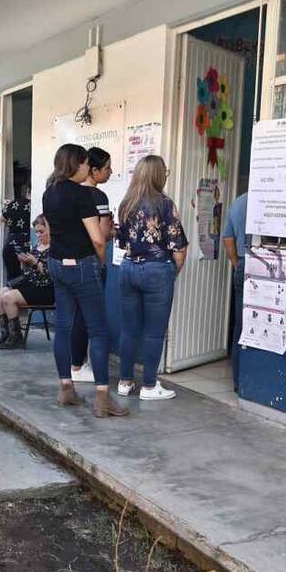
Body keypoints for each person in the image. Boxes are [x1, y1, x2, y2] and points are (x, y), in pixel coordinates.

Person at [41, 144, 127, 417]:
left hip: (56, 263)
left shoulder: (49, 192)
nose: (87, 168)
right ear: (75, 165)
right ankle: (103, 397)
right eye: (85, 164)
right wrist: (99, 262)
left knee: (64, 327)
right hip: (82, 265)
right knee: (98, 330)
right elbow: (98, 238)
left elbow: (53, 232)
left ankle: (66, 388)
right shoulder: (82, 195)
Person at [116, 155, 188, 401]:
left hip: (128, 268)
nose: (166, 174)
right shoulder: (165, 204)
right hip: (157, 269)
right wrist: (171, 272)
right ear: (158, 175)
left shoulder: (126, 203)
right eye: (164, 171)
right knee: (154, 332)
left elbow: (123, 242)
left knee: (129, 329)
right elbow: (179, 248)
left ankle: (125, 382)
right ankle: (148, 385)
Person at [69, 147, 114, 381]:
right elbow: (102, 234)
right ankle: (79, 366)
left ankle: (73, 364)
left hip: (67, 263)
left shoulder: (67, 192)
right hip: (91, 261)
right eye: (106, 168)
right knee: (90, 318)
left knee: (74, 314)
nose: (110, 172)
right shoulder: (98, 197)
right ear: (93, 171)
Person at [0, 215, 54, 348]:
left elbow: (52, 275)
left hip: (45, 289)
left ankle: (16, 337)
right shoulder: (37, 247)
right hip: (30, 283)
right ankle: (6, 333)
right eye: (37, 232)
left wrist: (35, 263)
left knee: (8, 297)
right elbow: (28, 272)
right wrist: (24, 263)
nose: (39, 235)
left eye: (41, 231)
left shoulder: (55, 249)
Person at [221, 190, 249, 391]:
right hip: (269, 264)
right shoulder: (277, 199)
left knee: (242, 326)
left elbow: (228, 239)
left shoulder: (239, 202)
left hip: (244, 263)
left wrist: (236, 263)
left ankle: (238, 381)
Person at [0, 183, 31, 282]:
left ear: (27, 191)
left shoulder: (12, 203)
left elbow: (2, 218)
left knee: (12, 278)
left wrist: (12, 221)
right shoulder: (34, 206)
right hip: (25, 244)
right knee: (24, 281)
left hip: (10, 244)